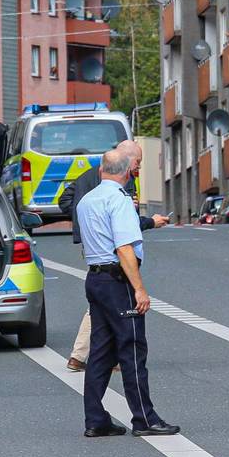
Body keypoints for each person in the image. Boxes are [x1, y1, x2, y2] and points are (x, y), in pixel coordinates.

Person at [75, 148, 178, 438]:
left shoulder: (87, 200)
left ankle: (95, 418)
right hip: (117, 282)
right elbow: (124, 248)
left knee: (100, 353)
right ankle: (144, 418)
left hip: (94, 279)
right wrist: (140, 289)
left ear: (100, 170)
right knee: (132, 349)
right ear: (125, 172)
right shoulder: (118, 201)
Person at [58, 140, 169, 372]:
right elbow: (122, 232)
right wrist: (151, 221)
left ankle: (83, 356)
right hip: (115, 250)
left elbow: (65, 200)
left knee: (103, 303)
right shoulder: (120, 181)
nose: (138, 168)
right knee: (119, 301)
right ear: (126, 160)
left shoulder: (90, 174)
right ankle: (113, 358)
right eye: (137, 162)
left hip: (96, 248)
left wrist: (87, 221)